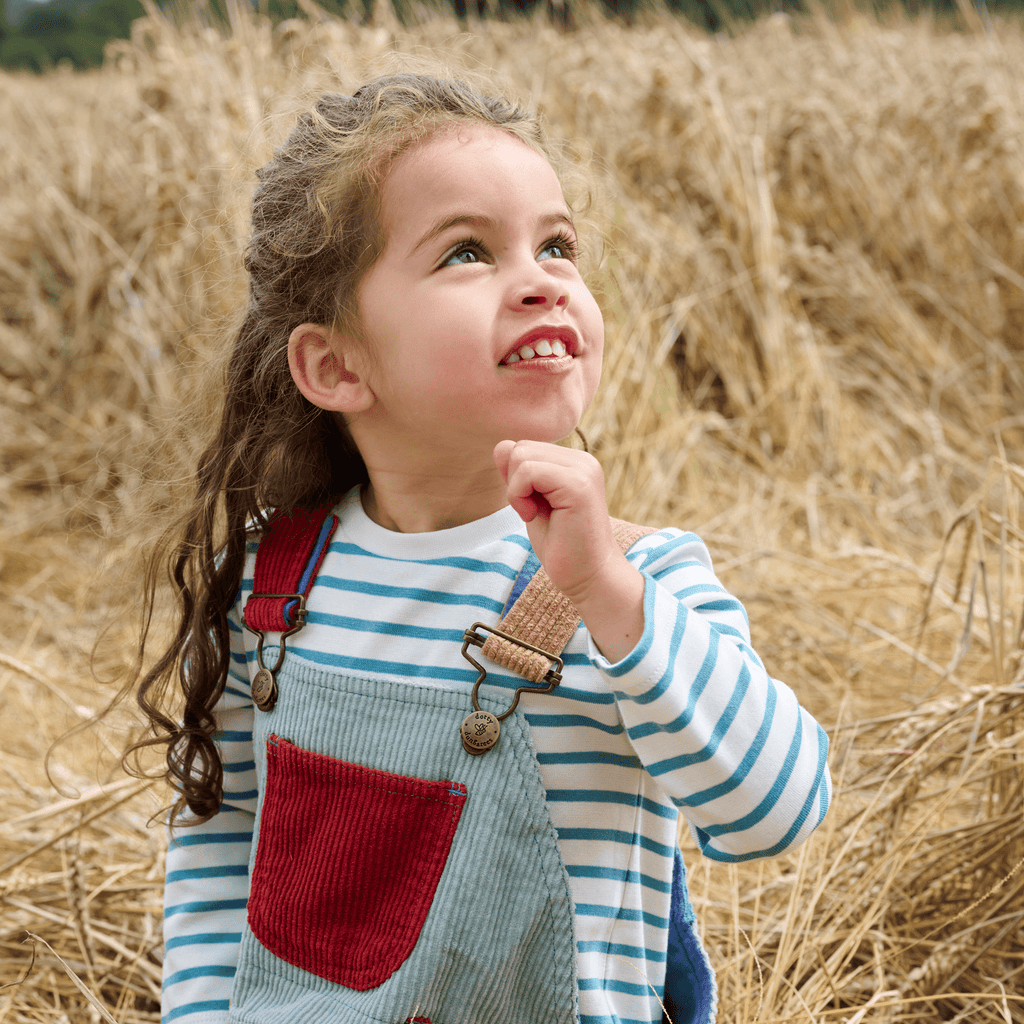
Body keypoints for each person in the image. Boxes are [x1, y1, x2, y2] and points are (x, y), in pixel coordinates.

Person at [137, 73, 831, 1024]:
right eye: (468, 251)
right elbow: (223, 846)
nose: (543, 278)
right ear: (336, 365)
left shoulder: (641, 583)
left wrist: (607, 592)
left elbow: (775, 810)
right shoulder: (273, 585)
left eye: (557, 245)